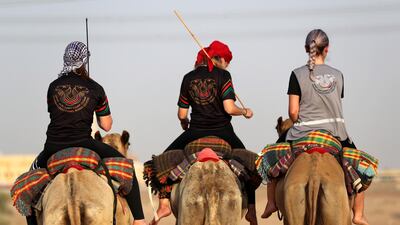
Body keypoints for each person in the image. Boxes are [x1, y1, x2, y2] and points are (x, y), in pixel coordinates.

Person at [26, 41, 146, 225]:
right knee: (127, 168)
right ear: (84, 61)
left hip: (53, 146)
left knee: (29, 185)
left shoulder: (52, 87)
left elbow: (57, 114)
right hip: (85, 143)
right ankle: (138, 220)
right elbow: (106, 125)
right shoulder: (96, 88)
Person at [261, 29, 369, 225]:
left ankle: (271, 203)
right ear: (327, 49)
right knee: (359, 169)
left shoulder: (296, 74)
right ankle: (359, 215)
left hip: (301, 132)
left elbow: (293, 112)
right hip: (336, 133)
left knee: (269, 160)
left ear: (305, 49)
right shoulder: (338, 75)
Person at [150, 40, 257, 225]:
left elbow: (182, 114)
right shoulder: (224, 75)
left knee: (161, 161)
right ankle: (252, 212)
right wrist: (244, 111)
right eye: (227, 61)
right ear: (219, 59)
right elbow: (230, 108)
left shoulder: (188, 78)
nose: (228, 65)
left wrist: (185, 124)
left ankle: (164, 204)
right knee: (251, 165)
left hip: (194, 133)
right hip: (224, 133)